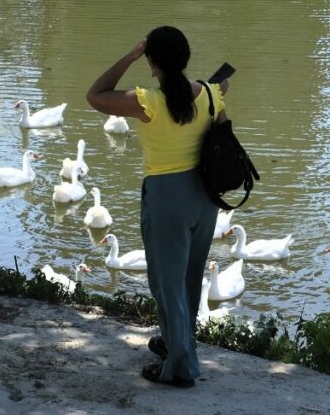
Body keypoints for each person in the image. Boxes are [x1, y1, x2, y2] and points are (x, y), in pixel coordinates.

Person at [86, 26, 228, 388]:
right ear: (185, 57)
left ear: (153, 63)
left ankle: (179, 368)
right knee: (189, 278)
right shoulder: (211, 94)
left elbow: (95, 94)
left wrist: (133, 54)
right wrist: (213, 93)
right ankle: (174, 341)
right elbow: (221, 133)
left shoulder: (146, 100)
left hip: (167, 199)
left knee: (167, 284)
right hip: (205, 198)